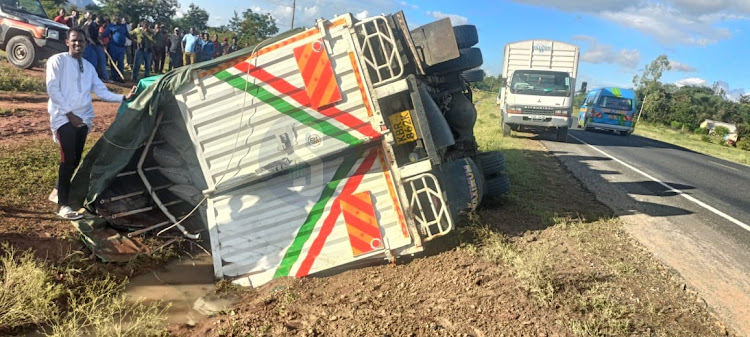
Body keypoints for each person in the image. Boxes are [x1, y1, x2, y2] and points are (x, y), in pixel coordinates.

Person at [46, 27, 135, 220]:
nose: (78, 44)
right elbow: (52, 89)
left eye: (81, 41)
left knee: (76, 159)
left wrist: (123, 98)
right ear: (67, 42)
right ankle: (63, 205)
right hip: (63, 117)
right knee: (67, 158)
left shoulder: (88, 66)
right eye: (74, 40)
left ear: (86, 44)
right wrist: (69, 114)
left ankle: (57, 190)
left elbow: (101, 91)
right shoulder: (57, 61)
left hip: (84, 118)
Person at [101, 15, 129, 82]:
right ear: (115, 20)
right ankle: (113, 76)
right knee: (113, 62)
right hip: (113, 46)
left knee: (120, 62)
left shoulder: (123, 26)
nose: (119, 21)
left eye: (120, 20)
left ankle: (120, 76)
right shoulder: (111, 26)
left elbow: (127, 34)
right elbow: (105, 34)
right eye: (118, 20)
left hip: (121, 47)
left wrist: (133, 40)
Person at [81, 13, 108, 82]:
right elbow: (88, 36)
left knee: (97, 60)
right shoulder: (89, 25)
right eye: (99, 22)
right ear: (96, 20)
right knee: (91, 61)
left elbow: (95, 37)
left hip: (92, 44)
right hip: (86, 45)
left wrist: (100, 42)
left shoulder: (97, 27)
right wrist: (94, 43)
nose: (99, 24)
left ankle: (97, 76)